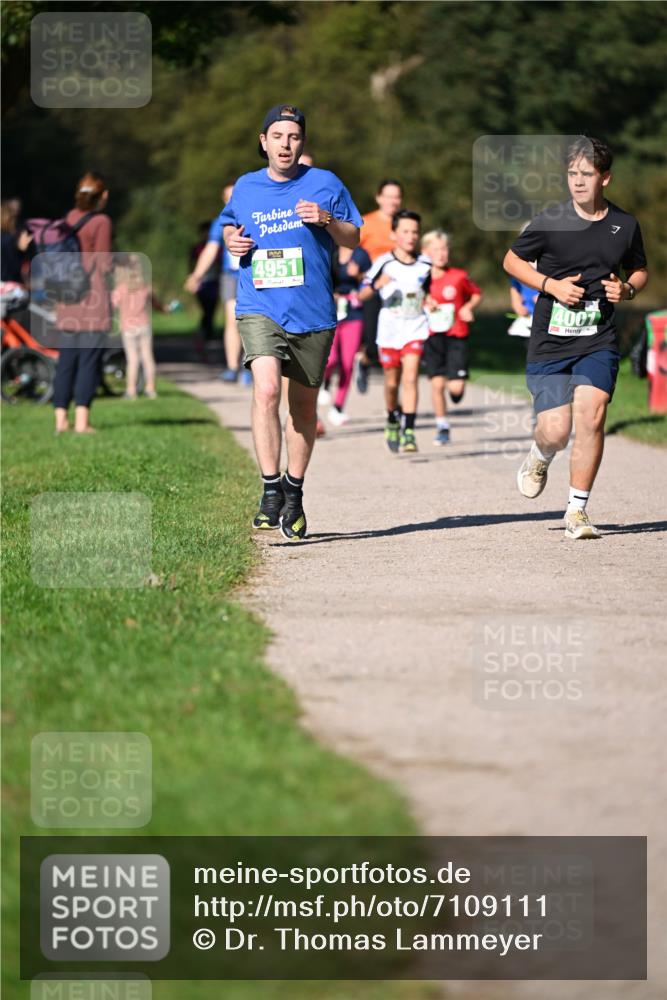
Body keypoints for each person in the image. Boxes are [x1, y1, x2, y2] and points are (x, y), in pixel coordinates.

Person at [216, 104, 362, 540]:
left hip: (313, 311)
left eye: (294, 137)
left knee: (301, 409)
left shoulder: (325, 184)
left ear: (302, 143)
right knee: (265, 390)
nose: (285, 144)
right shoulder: (246, 187)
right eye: (277, 136)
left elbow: (355, 236)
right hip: (259, 304)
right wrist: (233, 239)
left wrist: (327, 219)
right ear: (263, 141)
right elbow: (228, 228)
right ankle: (268, 488)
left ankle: (293, 493)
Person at [503, 135, 648, 540]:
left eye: (586, 174)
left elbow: (638, 269)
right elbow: (511, 260)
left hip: (597, 339)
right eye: (572, 174)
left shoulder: (625, 224)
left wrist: (629, 289)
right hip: (551, 341)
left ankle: (577, 511)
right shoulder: (550, 221)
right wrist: (550, 285)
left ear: (606, 178)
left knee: (593, 414)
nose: (578, 181)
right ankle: (539, 455)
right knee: (555, 430)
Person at [359, 210, 430, 454]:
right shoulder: (383, 263)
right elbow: (362, 294)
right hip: (389, 331)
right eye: (405, 232)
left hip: (416, 328)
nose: (411, 237)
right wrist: (378, 285)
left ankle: (409, 431)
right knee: (392, 384)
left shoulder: (426, 263)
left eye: (414, 232)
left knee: (410, 378)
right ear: (394, 234)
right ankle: (392, 418)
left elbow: (432, 293)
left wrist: (432, 302)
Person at [52, 172, 112, 435]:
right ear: (103, 195)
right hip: (92, 299)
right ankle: (82, 422)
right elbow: (104, 262)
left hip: (67, 299)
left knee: (66, 360)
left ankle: (60, 420)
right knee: (88, 360)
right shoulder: (101, 221)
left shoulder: (68, 219)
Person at [421, 230, 482, 444]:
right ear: (425, 252)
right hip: (431, 336)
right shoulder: (420, 279)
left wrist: (468, 307)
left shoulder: (459, 276)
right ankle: (442, 426)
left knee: (455, 388)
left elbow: (476, 294)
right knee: (437, 385)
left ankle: (455, 387)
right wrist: (425, 302)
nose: (441, 253)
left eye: (444, 249)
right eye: (436, 249)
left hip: (456, 335)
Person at [356, 179, 404, 392]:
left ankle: (394, 387)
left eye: (397, 196)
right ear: (379, 198)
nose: (393, 201)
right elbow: (350, 254)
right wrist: (359, 274)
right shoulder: (366, 223)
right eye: (389, 196)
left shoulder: (404, 224)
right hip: (373, 288)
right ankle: (365, 361)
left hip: (399, 289)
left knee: (398, 341)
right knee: (373, 342)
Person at [320, 243, 371, 425]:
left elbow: (370, 283)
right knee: (331, 359)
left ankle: (338, 407)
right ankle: (324, 383)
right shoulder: (328, 250)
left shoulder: (361, 255)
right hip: (330, 312)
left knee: (348, 363)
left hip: (353, 313)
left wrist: (357, 274)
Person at [111, 253, 167, 399]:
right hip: (144, 325)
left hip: (128, 327)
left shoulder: (120, 289)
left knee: (133, 359)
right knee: (147, 357)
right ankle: (150, 388)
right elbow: (157, 305)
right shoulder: (145, 287)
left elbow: (111, 306)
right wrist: (164, 309)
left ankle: (131, 390)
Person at [188, 222, 220, 359]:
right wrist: (192, 278)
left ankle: (204, 338)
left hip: (214, 283)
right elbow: (190, 264)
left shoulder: (218, 246)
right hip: (202, 285)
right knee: (206, 312)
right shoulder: (197, 248)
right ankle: (202, 338)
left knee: (211, 313)